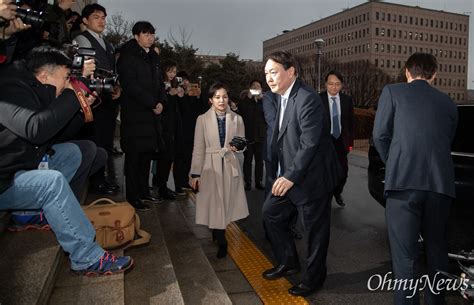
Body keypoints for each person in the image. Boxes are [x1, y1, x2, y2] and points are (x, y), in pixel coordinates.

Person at [0, 45, 133, 275]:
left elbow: (56, 135)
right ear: (44, 75)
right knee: (52, 183)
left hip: (20, 169)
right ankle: (86, 257)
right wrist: (74, 94)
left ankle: (29, 212)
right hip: (4, 182)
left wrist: (81, 108)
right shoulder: (9, 90)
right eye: (65, 78)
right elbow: (36, 129)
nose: (67, 83)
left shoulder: (39, 91)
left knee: (78, 151)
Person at [373, 53, 458, 305]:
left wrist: (396, 164)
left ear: (407, 72)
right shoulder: (449, 103)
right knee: (437, 251)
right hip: (440, 186)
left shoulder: (392, 92)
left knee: (405, 258)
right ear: (434, 75)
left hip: (403, 186)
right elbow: (446, 140)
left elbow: (379, 136)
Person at [261, 51, 342, 297]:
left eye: (273, 72)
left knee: (315, 232)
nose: (269, 79)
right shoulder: (280, 98)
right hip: (290, 175)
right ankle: (289, 261)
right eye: (266, 74)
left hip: (312, 179)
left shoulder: (306, 98)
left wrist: (289, 176)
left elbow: (309, 144)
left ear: (291, 71)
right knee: (271, 214)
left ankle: (314, 278)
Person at [189, 82, 249, 259]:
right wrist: (195, 173)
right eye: (217, 97)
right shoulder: (202, 119)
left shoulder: (237, 119)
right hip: (210, 166)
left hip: (230, 164)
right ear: (210, 100)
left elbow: (242, 144)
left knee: (225, 204)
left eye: (224, 96)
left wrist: (239, 146)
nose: (221, 100)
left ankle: (218, 231)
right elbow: (198, 148)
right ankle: (222, 240)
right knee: (215, 203)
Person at [117, 21, 166, 211]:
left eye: (152, 34)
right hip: (136, 114)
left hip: (152, 116)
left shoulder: (153, 57)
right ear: (136, 36)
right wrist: (152, 103)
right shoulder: (128, 56)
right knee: (134, 158)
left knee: (147, 155)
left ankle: (144, 192)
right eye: (146, 34)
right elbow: (130, 86)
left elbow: (160, 83)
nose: (150, 38)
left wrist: (162, 101)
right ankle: (133, 197)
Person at [73, 3, 121, 195]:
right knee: (95, 141)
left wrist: (117, 88)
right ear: (85, 20)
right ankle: (96, 181)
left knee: (105, 141)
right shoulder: (81, 40)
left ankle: (103, 179)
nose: (101, 21)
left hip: (107, 100)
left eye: (103, 17)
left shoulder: (107, 44)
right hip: (92, 100)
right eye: (96, 17)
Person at [319, 71, 354, 207]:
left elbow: (350, 123)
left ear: (342, 85)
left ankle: (337, 191)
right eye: (331, 84)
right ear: (326, 84)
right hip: (324, 141)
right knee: (325, 171)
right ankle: (325, 196)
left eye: (337, 84)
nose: (334, 87)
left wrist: (350, 143)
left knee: (343, 172)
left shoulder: (347, 100)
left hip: (340, 140)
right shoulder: (318, 99)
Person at [238, 80, 266, 191]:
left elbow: (267, 116)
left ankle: (259, 181)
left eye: (258, 87)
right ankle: (248, 182)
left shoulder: (264, 101)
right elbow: (243, 113)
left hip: (261, 136)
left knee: (260, 161)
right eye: (254, 86)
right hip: (248, 136)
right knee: (248, 160)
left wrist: (261, 100)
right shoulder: (245, 101)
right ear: (250, 89)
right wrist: (250, 99)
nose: (256, 88)